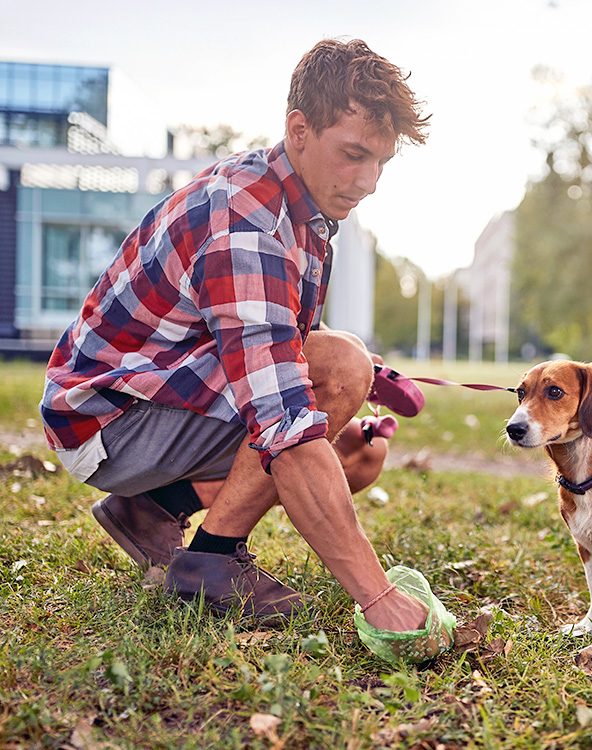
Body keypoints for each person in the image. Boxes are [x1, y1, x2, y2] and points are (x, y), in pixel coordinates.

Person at [40, 38, 435, 641]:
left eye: (380, 162)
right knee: (334, 376)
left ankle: (155, 507)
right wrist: (378, 596)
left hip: (157, 398)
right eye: (354, 154)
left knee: (354, 452)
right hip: (109, 419)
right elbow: (282, 414)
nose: (369, 181)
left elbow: (284, 337)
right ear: (299, 129)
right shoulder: (246, 219)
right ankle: (211, 562)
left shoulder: (301, 210)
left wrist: (341, 406)